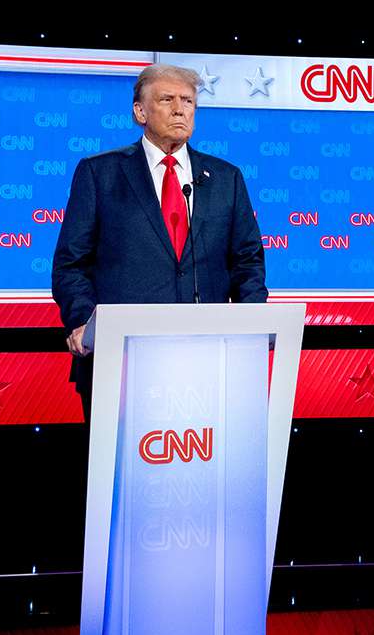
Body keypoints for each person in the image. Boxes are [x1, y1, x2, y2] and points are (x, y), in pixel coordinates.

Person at [52, 64, 268, 409]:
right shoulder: (100, 173)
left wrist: (252, 326)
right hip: (120, 358)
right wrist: (83, 323)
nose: (180, 108)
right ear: (140, 111)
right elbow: (71, 264)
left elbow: (248, 261)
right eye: (167, 99)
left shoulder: (226, 178)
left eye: (188, 101)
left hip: (207, 359)